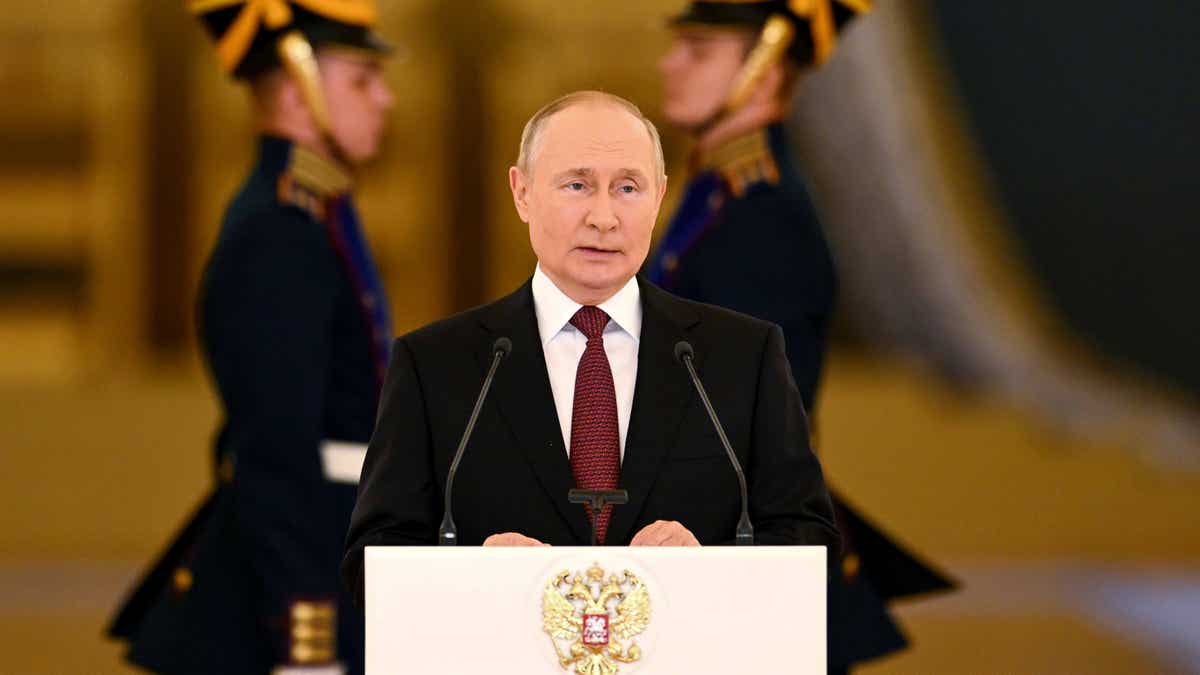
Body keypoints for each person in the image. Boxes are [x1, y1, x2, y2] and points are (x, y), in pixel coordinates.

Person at [341, 90, 840, 601]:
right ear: (522, 192)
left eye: (627, 188)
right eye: (577, 185)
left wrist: (708, 567)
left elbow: (811, 542)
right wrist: (474, 574)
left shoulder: (742, 357)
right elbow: (371, 560)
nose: (603, 218)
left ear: (659, 197)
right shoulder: (435, 366)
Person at [648, 1, 954, 672]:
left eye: (699, 51)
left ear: (760, 74)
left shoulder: (761, 218)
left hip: (733, 560)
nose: (670, 63)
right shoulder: (719, 191)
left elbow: (744, 424)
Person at [107, 2, 395, 673]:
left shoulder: (313, 212)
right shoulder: (279, 234)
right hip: (300, 582)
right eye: (362, 80)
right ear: (299, 92)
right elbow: (275, 453)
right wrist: (308, 640)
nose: (386, 98)